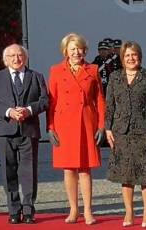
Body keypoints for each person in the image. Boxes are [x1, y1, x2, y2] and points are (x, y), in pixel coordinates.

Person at [47, 33, 106, 225]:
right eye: (72, 49)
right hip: (64, 124)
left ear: (85, 50)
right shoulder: (56, 70)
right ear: (66, 51)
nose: (76, 52)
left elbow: (100, 100)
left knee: (85, 169)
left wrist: (102, 125)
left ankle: (88, 210)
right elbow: (51, 101)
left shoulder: (93, 69)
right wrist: (50, 127)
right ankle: (73, 209)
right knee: (69, 169)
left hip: (86, 122)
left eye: (79, 48)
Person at [0, 44, 48, 224]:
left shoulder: (36, 77)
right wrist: (8, 112)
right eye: (12, 56)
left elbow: (44, 101)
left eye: (19, 55)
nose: (16, 58)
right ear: (5, 60)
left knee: (29, 172)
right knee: (8, 171)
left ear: (25, 57)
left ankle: (28, 210)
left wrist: (29, 110)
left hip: (28, 130)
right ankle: (14, 210)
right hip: (5, 131)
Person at [105, 41, 146, 228]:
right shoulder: (114, 77)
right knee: (126, 175)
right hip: (121, 131)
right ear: (122, 58)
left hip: (144, 131)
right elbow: (110, 105)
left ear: (140, 56)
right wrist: (108, 128)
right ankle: (129, 212)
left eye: (134, 55)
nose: (131, 58)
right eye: (127, 55)